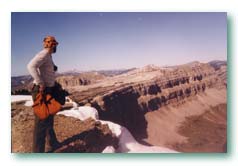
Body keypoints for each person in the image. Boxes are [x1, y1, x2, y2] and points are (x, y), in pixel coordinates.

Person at [27, 36, 60, 152]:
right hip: (42, 91)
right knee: (41, 123)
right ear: (51, 45)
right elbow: (31, 66)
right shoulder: (44, 54)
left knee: (49, 118)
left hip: (48, 91)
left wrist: (53, 68)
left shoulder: (48, 56)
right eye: (54, 44)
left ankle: (53, 143)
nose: (55, 46)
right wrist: (41, 83)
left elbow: (43, 68)